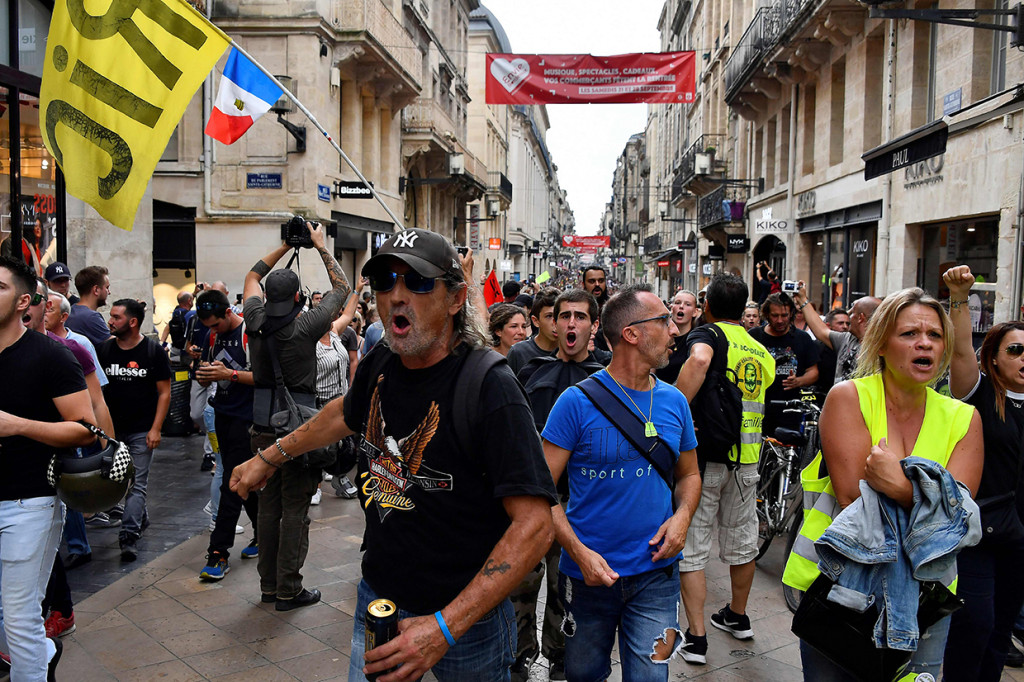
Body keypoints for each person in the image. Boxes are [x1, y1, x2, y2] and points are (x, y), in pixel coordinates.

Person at [230, 227, 556, 681]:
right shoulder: (382, 360)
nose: (396, 296)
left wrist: (444, 628)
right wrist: (269, 457)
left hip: (466, 624)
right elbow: (343, 413)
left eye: (418, 283)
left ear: (455, 298)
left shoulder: (491, 386)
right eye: (386, 283)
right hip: (379, 598)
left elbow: (536, 526)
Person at [782, 287, 984, 679]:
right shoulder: (848, 398)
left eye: (935, 335)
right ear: (881, 343)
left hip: (927, 595)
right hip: (840, 588)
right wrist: (928, 497)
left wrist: (898, 486)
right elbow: (850, 498)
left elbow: (959, 524)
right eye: (909, 333)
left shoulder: (963, 419)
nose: (924, 342)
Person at [542, 283, 702, 681]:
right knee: (584, 675)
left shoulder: (675, 401)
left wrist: (682, 517)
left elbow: (690, 474)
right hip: (587, 578)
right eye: (664, 320)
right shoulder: (574, 403)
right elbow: (540, 491)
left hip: (657, 575)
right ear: (632, 334)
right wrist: (578, 553)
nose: (675, 331)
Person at [242, 221, 348, 611]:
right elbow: (342, 289)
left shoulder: (253, 318)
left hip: (261, 425)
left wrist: (285, 246)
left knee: (267, 508)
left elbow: (253, 274)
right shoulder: (304, 327)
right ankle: (289, 589)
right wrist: (318, 245)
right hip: (297, 428)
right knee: (295, 510)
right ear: (300, 296)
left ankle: (269, 586)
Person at [0, 256, 95, 681]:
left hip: (28, 502)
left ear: (24, 301)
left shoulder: (50, 356)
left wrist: (16, 426)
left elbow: (85, 429)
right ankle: (44, 651)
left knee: (18, 616)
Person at [674, 273, 775, 664]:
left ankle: (696, 637)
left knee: (694, 544)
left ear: (709, 308)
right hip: (747, 460)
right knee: (741, 541)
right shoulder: (760, 349)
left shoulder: (709, 336)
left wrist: (676, 408)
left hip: (707, 458)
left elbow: (698, 360)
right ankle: (738, 615)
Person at [511, 289, 604, 681]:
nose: (569, 323)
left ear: (593, 326)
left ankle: (559, 656)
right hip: (532, 501)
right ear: (552, 322)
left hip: (578, 504)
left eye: (579, 317)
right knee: (519, 585)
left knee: (567, 587)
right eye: (563, 316)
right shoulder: (529, 368)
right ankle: (519, 655)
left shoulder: (607, 375)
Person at [941, 265, 1024, 680]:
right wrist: (959, 295)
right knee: (975, 626)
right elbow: (958, 353)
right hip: (980, 537)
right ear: (992, 357)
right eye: (1015, 350)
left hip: (1020, 542)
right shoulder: (980, 396)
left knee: (1001, 634)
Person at [96, 298, 172, 561]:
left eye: (116, 317)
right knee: (119, 481)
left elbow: (164, 393)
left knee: (137, 483)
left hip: (142, 429)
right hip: (112, 431)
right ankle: (140, 516)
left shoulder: (152, 352)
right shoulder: (104, 351)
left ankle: (128, 536)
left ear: (132, 322)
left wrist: (156, 428)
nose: (110, 321)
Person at [193, 289, 260, 582]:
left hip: (247, 419)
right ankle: (266, 533)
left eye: (215, 325)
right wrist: (203, 373)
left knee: (231, 481)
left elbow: (264, 377)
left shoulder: (250, 332)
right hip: (222, 414)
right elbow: (212, 368)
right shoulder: (212, 336)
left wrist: (228, 375)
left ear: (228, 313)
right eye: (208, 326)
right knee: (241, 479)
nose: (212, 331)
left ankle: (218, 552)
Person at [748, 292, 820, 436]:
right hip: (759, 408)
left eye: (784, 315)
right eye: (775, 315)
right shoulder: (754, 336)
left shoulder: (802, 338)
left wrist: (799, 381)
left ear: (791, 314)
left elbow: (814, 372)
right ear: (767, 314)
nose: (780, 320)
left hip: (791, 410)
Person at [792, 283, 881, 386]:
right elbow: (821, 330)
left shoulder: (881, 347)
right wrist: (802, 300)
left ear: (861, 318)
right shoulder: (846, 339)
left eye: (852, 313)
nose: (848, 316)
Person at [507, 287, 560, 376]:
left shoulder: (571, 351)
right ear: (536, 321)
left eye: (561, 316)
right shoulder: (519, 352)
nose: (555, 322)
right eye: (549, 316)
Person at [655, 289, 698, 383]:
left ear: (695, 312)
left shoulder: (697, 340)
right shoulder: (659, 334)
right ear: (671, 308)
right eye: (678, 303)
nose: (681, 307)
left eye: (688, 304)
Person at [66, 265, 111, 348]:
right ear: (96, 290)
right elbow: (117, 345)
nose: (109, 292)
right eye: (107, 287)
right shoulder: (91, 317)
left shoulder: (73, 310)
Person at [159, 290, 195, 364]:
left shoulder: (175, 315)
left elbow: (162, 339)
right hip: (188, 354)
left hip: (174, 353)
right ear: (189, 301)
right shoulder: (191, 316)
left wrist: (166, 347)